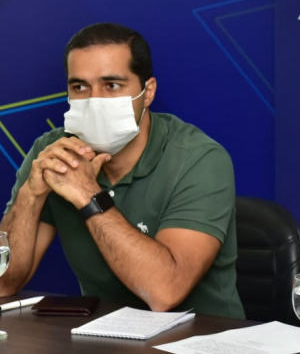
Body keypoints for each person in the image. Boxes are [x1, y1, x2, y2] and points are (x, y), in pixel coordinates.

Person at [0, 22, 244, 319]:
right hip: (101, 336)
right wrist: (30, 195)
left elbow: (164, 292)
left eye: (112, 85)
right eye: (80, 87)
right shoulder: (53, 153)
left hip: (206, 337)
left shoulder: (200, 159)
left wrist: (88, 195)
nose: (94, 101)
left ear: (147, 92)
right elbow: (3, 284)